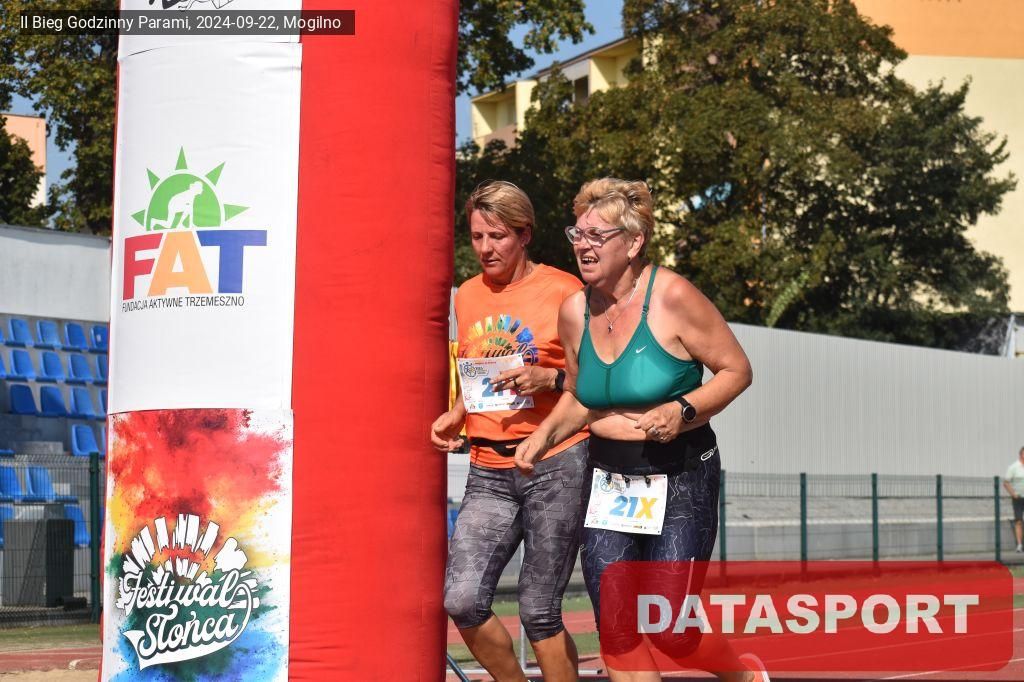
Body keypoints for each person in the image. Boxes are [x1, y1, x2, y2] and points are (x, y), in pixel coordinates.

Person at [514, 178, 766, 681]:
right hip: (610, 479)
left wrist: (682, 411)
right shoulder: (574, 311)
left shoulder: (672, 296)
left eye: (597, 235)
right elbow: (582, 395)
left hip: (680, 473)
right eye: (577, 234)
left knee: (670, 628)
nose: (583, 245)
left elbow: (737, 370)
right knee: (617, 628)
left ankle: (743, 676)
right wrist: (543, 434)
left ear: (633, 243)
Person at [431, 180, 588, 682]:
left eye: (497, 236)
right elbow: (477, 370)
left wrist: (549, 378)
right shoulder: (468, 295)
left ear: (524, 234)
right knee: (462, 600)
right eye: (477, 236)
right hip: (488, 467)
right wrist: (457, 413)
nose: (485, 248)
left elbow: (595, 383)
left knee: (539, 610)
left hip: (555, 462)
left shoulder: (565, 291)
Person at [1003, 447, 1024, 552]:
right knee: (1019, 521)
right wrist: (1013, 494)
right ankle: (1019, 545)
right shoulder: (1013, 467)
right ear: (1020, 455)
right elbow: (1006, 482)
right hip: (1018, 498)